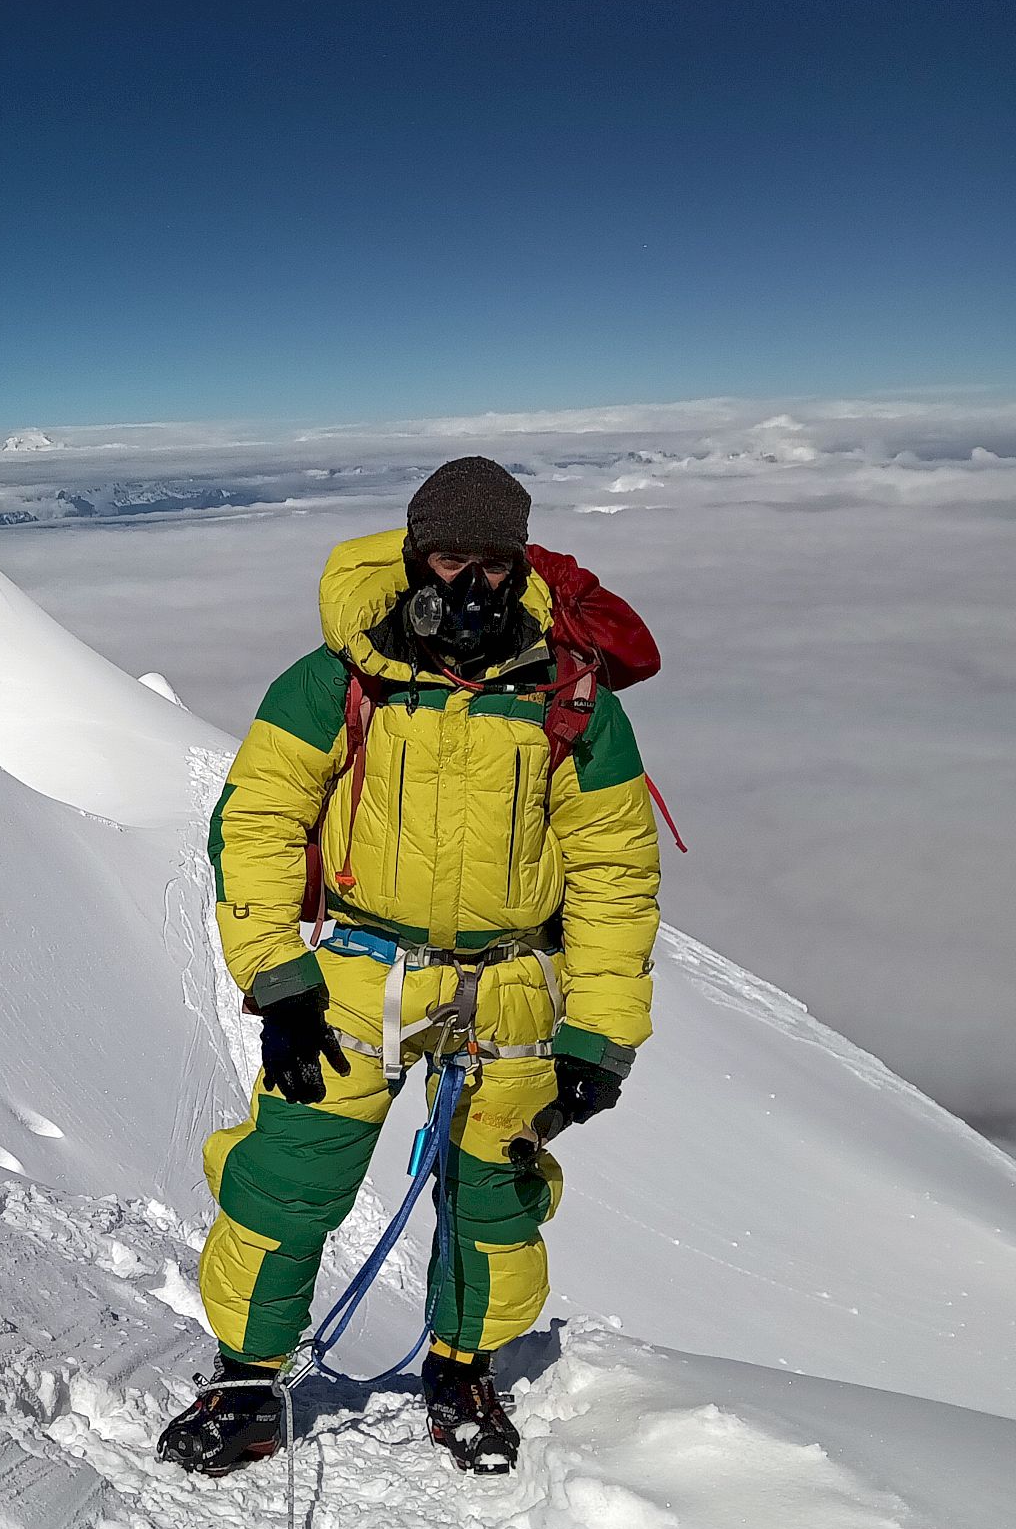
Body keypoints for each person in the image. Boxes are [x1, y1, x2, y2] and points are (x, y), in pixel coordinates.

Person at [158, 457, 660, 1477]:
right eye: (446, 556)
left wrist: (601, 1031)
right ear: (411, 553)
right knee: (284, 1181)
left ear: (518, 563)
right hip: (354, 974)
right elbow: (256, 819)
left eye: (491, 561)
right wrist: (276, 975)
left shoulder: (569, 696)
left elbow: (613, 872)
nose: (467, 583)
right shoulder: (338, 676)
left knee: (496, 1198)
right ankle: (247, 1380)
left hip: (512, 985)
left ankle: (461, 1368)